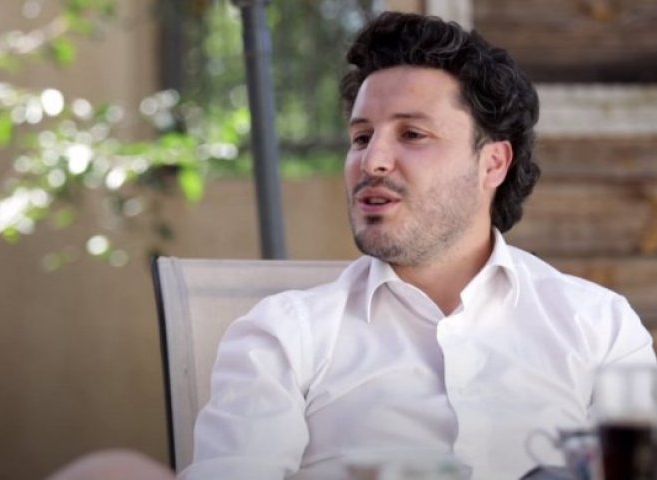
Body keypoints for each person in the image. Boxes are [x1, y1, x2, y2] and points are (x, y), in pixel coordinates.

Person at [177, 11, 656, 480]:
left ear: (493, 164)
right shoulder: (285, 336)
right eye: (361, 137)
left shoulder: (599, 327)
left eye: (412, 134)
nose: (372, 161)